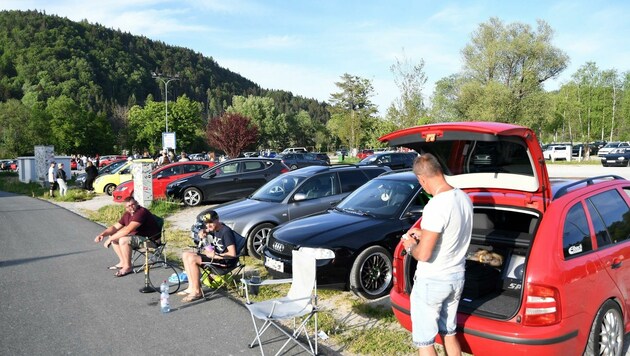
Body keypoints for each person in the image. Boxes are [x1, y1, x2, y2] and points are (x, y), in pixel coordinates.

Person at [401, 153, 473, 356]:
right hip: (456, 277)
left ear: (422, 179)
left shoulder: (435, 205)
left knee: (425, 341)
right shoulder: (463, 198)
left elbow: (423, 255)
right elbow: (452, 232)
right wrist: (424, 233)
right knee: (449, 333)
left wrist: (409, 245)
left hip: (433, 280)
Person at [93, 197, 161, 277]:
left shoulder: (141, 212)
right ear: (125, 207)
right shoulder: (127, 214)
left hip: (151, 241)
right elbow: (115, 227)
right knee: (114, 236)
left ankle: (128, 267)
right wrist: (102, 235)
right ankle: (123, 262)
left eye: (133, 204)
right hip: (140, 238)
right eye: (128, 206)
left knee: (123, 240)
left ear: (136, 203)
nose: (131, 207)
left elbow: (128, 230)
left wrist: (110, 239)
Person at [178, 210, 237, 302]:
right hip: (214, 257)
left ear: (217, 219)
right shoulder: (214, 228)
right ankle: (191, 287)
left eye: (211, 222)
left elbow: (232, 254)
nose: (208, 225)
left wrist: (216, 255)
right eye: (206, 223)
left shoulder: (226, 232)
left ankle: (197, 292)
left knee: (192, 259)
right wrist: (203, 231)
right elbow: (206, 230)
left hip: (224, 261)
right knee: (185, 254)